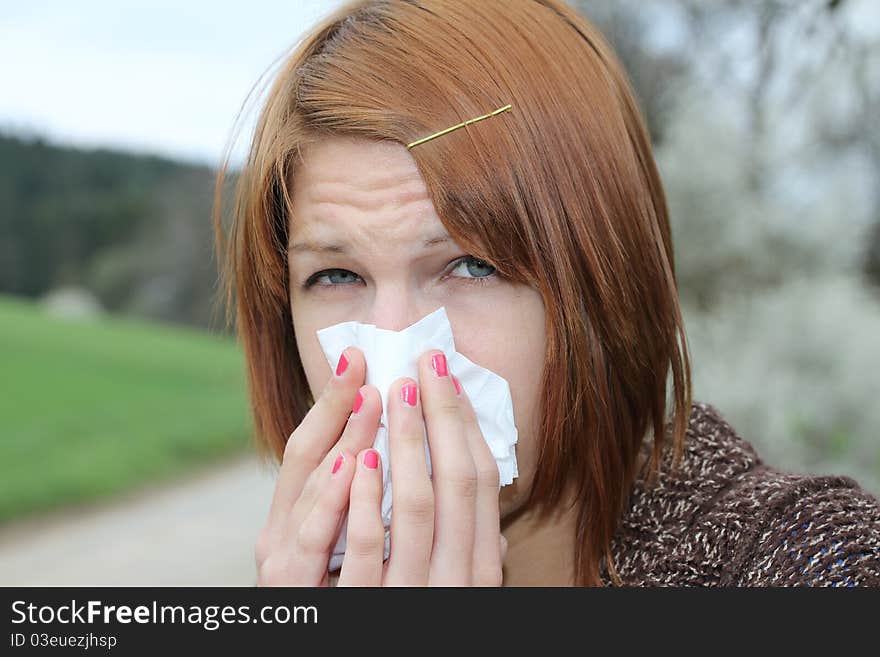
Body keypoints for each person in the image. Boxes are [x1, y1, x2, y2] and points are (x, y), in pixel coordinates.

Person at [212, 0, 880, 586]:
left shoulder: (813, 566)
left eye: (472, 265)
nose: (396, 357)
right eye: (337, 276)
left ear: (603, 286)